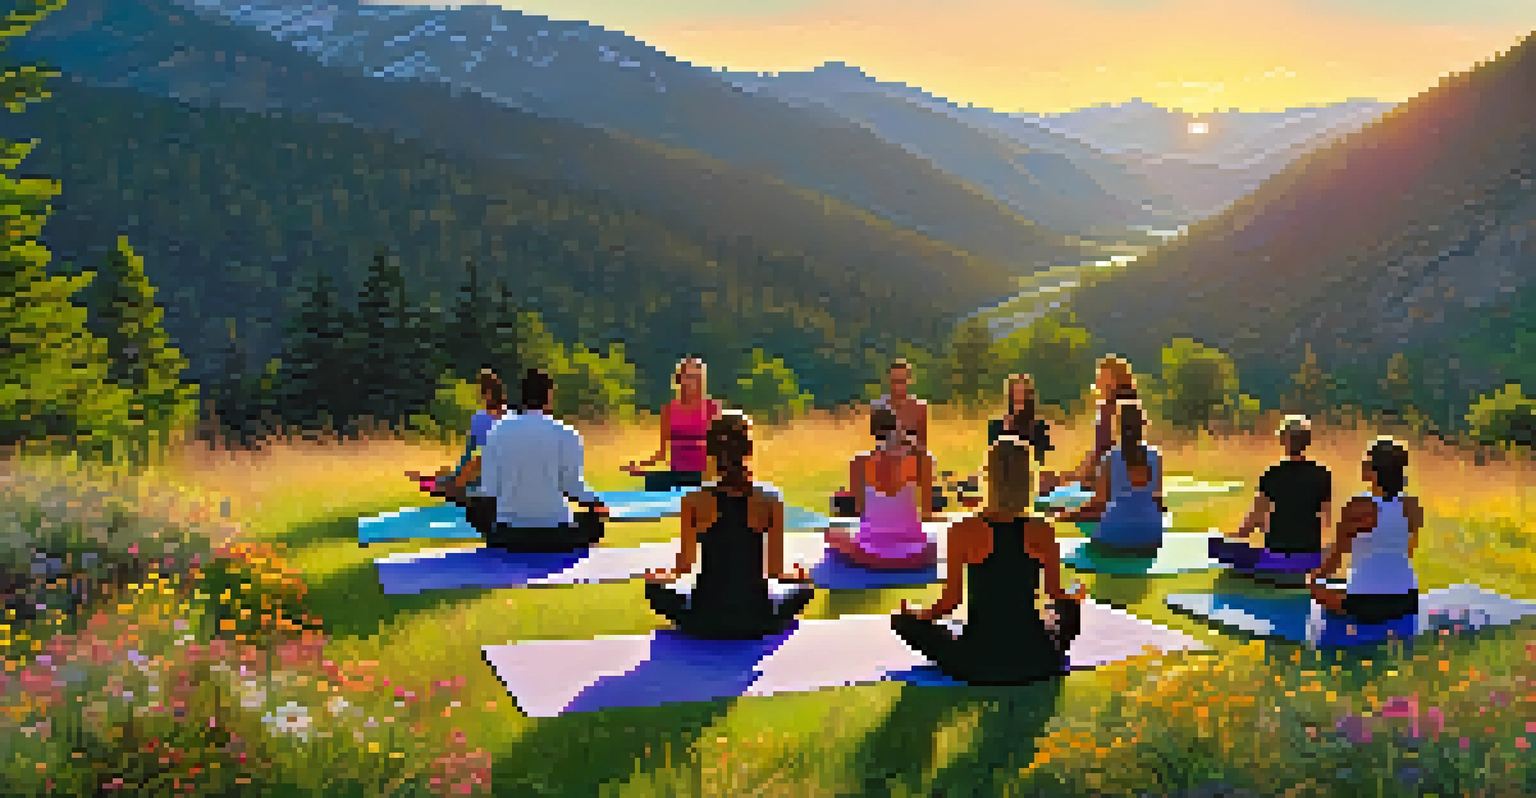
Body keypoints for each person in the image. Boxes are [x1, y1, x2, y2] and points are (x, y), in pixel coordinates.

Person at [891, 436, 1084, 685]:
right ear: (1028, 479)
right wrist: (1073, 598)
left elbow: (950, 603)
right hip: (1039, 660)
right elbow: (1056, 594)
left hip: (978, 663)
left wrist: (917, 614)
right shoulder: (1042, 529)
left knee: (902, 621)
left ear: (988, 478)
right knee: (1070, 609)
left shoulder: (962, 529)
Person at [643, 412, 817, 639]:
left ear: (711, 452)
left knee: (653, 589)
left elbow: (684, 567)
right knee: (806, 589)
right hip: (757, 619)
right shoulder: (770, 499)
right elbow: (775, 571)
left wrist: (659, 577)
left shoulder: (694, 500)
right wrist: (797, 577)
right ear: (749, 450)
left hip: (704, 619)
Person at [459, 369, 608, 552]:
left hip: (508, 536)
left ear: (522, 398)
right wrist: (597, 505)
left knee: (475, 507)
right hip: (557, 535)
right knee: (594, 521)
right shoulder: (567, 433)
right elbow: (573, 487)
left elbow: (489, 491)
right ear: (549, 397)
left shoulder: (497, 432)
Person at [1308, 438, 1421, 624]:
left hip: (1366, 602)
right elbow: (1407, 552)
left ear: (1375, 472)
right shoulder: (1413, 506)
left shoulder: (1358, 506)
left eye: (1367, 462)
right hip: (1407, 600)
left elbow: (1334, 560)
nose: (1362, 466)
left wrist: (1311, 579)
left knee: (1316, 588)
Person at [1211, 415, 1332, 577]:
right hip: (1310, 559)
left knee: (1221, 550)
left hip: (1276, 559)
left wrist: (1226, 539)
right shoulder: (1323, 475)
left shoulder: (1272, 475)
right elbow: (1326, 522)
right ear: (1307, 442)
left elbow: (1251, 523)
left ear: (1283, 441)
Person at [825, 407, 939, 570]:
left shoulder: (858, 463)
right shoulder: (923, 461)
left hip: (870, 554)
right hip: (916, 555)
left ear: (873, 433)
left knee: (832, 534)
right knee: (938, 542)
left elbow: (859, 509)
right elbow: (928, 513)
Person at [1062, 399, 1165, 552]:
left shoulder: (1110, 458)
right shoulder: (1155, 456)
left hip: (1116, 532)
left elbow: (1098, 502)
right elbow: (1157, 497)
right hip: (1151, 534)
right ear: (1142, 425)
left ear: (1119, 427)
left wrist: (1068, 515)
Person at [407, 369, 510, 504]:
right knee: (458, 469)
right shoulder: (509, 416)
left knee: (475, 464)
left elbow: (470, 452)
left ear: (487, 394)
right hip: (500, 472)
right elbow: (469, 450)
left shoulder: (486, 418)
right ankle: (444, 482)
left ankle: (445, 484)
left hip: (496, 474)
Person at [624, 357, 723, 492]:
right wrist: (639, 466)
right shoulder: (669, 410)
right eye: (688, 376)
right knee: (652, 481)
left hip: (703, 474)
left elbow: (720, 449)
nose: (692, 381)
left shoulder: (713, 408)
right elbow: (662, 454)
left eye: (697, 377)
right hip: (677, 473)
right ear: (679, 379)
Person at [1060, 357, 1139, 503]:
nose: (1098, 381)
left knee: (1049, 486)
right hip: (1119, 479)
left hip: (1104, 481)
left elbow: (1101, 451)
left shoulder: (1108, 409)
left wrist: (1075, 479)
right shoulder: (1133, 409)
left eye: (1103, 376)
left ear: (1115, 381)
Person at [873, 359, 930, 454]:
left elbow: (922, 445)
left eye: (902, 381)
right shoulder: (879, 406)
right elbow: (879, 441)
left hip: (911, 456)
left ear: (909, 380)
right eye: (895, 381)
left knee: (929, 459)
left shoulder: (919, 407)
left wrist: (908, 442)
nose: (898, 386)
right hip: (886, 457)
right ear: (889, 380)